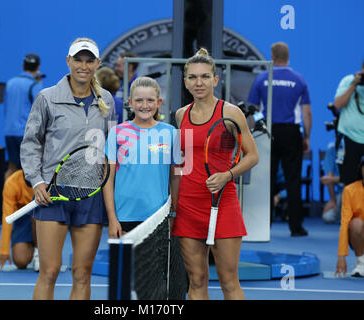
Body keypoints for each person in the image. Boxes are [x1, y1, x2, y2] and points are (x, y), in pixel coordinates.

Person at [20, 37, 116, 300]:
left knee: (82, 273)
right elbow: (30, 143)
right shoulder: (47, 98)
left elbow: (110, 151)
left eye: (88, 61)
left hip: (90, 194)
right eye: (78, 60)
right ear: (68, 61)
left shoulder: (106, 100)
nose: (83, 66)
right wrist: (37, 181)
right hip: (52, 193)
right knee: (49, 271)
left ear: (97, 63)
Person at [172, 48, 259, 300]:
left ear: (215, 80)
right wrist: (174, 204)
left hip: (223, 203)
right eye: (193, 77)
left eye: (205, 77)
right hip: (188, 206)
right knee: (196, 281)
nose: (199, 83)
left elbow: (253, 155)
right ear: (185, 81)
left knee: (229, 281)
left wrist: (227, 175)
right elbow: (182, 162)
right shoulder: (181, 115)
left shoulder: (231, 113)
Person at [247, 42, 312, 237]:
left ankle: (263, 226)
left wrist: (256, 129)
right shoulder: (299, 79)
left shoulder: (262, 78)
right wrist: (307, 136)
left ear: (272, 57)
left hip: (268, 131)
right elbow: (306, 112)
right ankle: (296, 227)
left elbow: (252, 109)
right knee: (293, 180)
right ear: (288, 57)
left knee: (268, 179)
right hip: (292, 132)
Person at [103, 76, 181, 237]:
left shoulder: (171, 133)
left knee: (154, 263)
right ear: (130, 102)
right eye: (139, 100)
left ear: (159, 103)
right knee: (125, 263)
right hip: (124, 217)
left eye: (150, 100)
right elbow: (108, 180)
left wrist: (173, 213)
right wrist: (112, 219)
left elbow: (175, 177)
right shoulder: (116, 132)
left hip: (158, 218)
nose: (145, 106)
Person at [4, 53, 43, 180]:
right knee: (31, 170)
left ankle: (7, 199)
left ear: (23, 65)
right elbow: (40, 111)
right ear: (38, 67)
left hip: (9, 132)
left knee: (11, 168)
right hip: (25, 134)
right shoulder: (35, 85)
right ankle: (28, 199)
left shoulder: (10, 83)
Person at [0, 169, 39, 271]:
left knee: (36, 215)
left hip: (43, 216)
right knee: (21, 261)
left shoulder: (46, 179)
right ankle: (33, 247)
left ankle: (39, 253)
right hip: (23, 218)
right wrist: (4, 251)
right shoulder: (12, 183)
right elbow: (7, 218)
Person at [333, 60, 364, 186]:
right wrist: (354, 85)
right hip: (349, 139)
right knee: (349, 182)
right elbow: (338, 104)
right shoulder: (348, 81)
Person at [335, 156, 364, 277]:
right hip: (359, 236)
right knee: (355, 223)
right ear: (361, 169)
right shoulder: (349, 190)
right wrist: (341, 256)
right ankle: (361, 263)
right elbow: (344, 224)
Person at [321, 141, 344, 223]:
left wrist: (333, 179)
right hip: (342, 194)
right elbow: (328, 177)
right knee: (327, 216)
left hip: (357, 192)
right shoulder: (333, 148)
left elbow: (355, 178)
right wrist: (333, 200)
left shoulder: (359, 144)